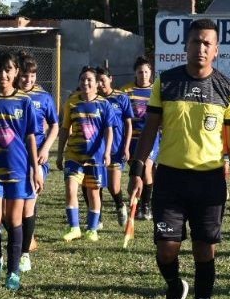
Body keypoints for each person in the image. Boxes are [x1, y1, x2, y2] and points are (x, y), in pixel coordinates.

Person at [129, 18, 230, 299]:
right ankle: (173, 288)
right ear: (187, 45)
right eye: (196, 42)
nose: (201, 48)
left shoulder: (227, 89)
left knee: (204, 252)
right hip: (170, 178)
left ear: (216, 50)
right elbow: (149, 130)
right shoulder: (166, 82)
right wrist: (137, 171)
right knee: (166, 249)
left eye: (207, 43)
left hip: (209, 182)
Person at [0, 51, 41, 292]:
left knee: (15, 220)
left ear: (16, 72)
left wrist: (36, 168)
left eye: (8, 70)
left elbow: (30, 137)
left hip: (18, 169)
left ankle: (14, 271)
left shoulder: (25, 101)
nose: (3, 75)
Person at [57, 67, 114, 243]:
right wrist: (59, 153)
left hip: (95, 158)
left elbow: (108, 130)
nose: (85, 83)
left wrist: (107, 152)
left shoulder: (104, 104)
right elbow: (65, 129)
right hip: (74, 155)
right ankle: (74, 228)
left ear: (97, 84)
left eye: (89, 79)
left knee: (93, 194)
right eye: (82, 79)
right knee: (70, 189)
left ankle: (92, 229)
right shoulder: (71, 103)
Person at [17, 52, 59, 273]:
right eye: (24, 76)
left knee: (28, 205)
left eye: (32, 76)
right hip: (14, 159)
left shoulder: (43, 97)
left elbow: (55, 126)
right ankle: (26, 238)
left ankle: (24, 253)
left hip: (37, 161)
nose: (28, 80)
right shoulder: (10, 96)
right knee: (10, 210)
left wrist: (45, 148)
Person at [97, 67, 134, 226]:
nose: (99, 84)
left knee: (113, 186)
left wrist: (126, 146)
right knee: (96, 184)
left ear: (110, 79)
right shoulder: (94, 99)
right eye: (97, 81)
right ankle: (97, 219)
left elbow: (128, 124)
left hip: (116, 148)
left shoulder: (121, 97)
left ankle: (120, 205)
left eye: (102, 80)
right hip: (98, 149)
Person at [123, 57, 156, 221]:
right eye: (140, 72)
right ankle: (136, 205)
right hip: (132, 138)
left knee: (147, 169)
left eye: (146, 72)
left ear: (151, 73)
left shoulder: (156, 90)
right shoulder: (126, 92)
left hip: (151, 137)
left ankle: (146, 207)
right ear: (135, 73)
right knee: (136, 174)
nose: (143, 75)